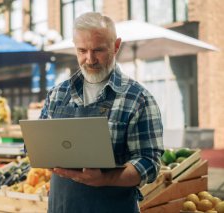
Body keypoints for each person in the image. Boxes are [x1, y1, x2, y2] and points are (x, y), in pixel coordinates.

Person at [39, 12, 164, 213]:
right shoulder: (57, 94)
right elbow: (37, 145)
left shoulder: (138, 99)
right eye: (82, 50)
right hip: (61, 206)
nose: (90, 59)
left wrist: (105, 178)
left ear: (116, 46)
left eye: (98, 50)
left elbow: (149, 163)